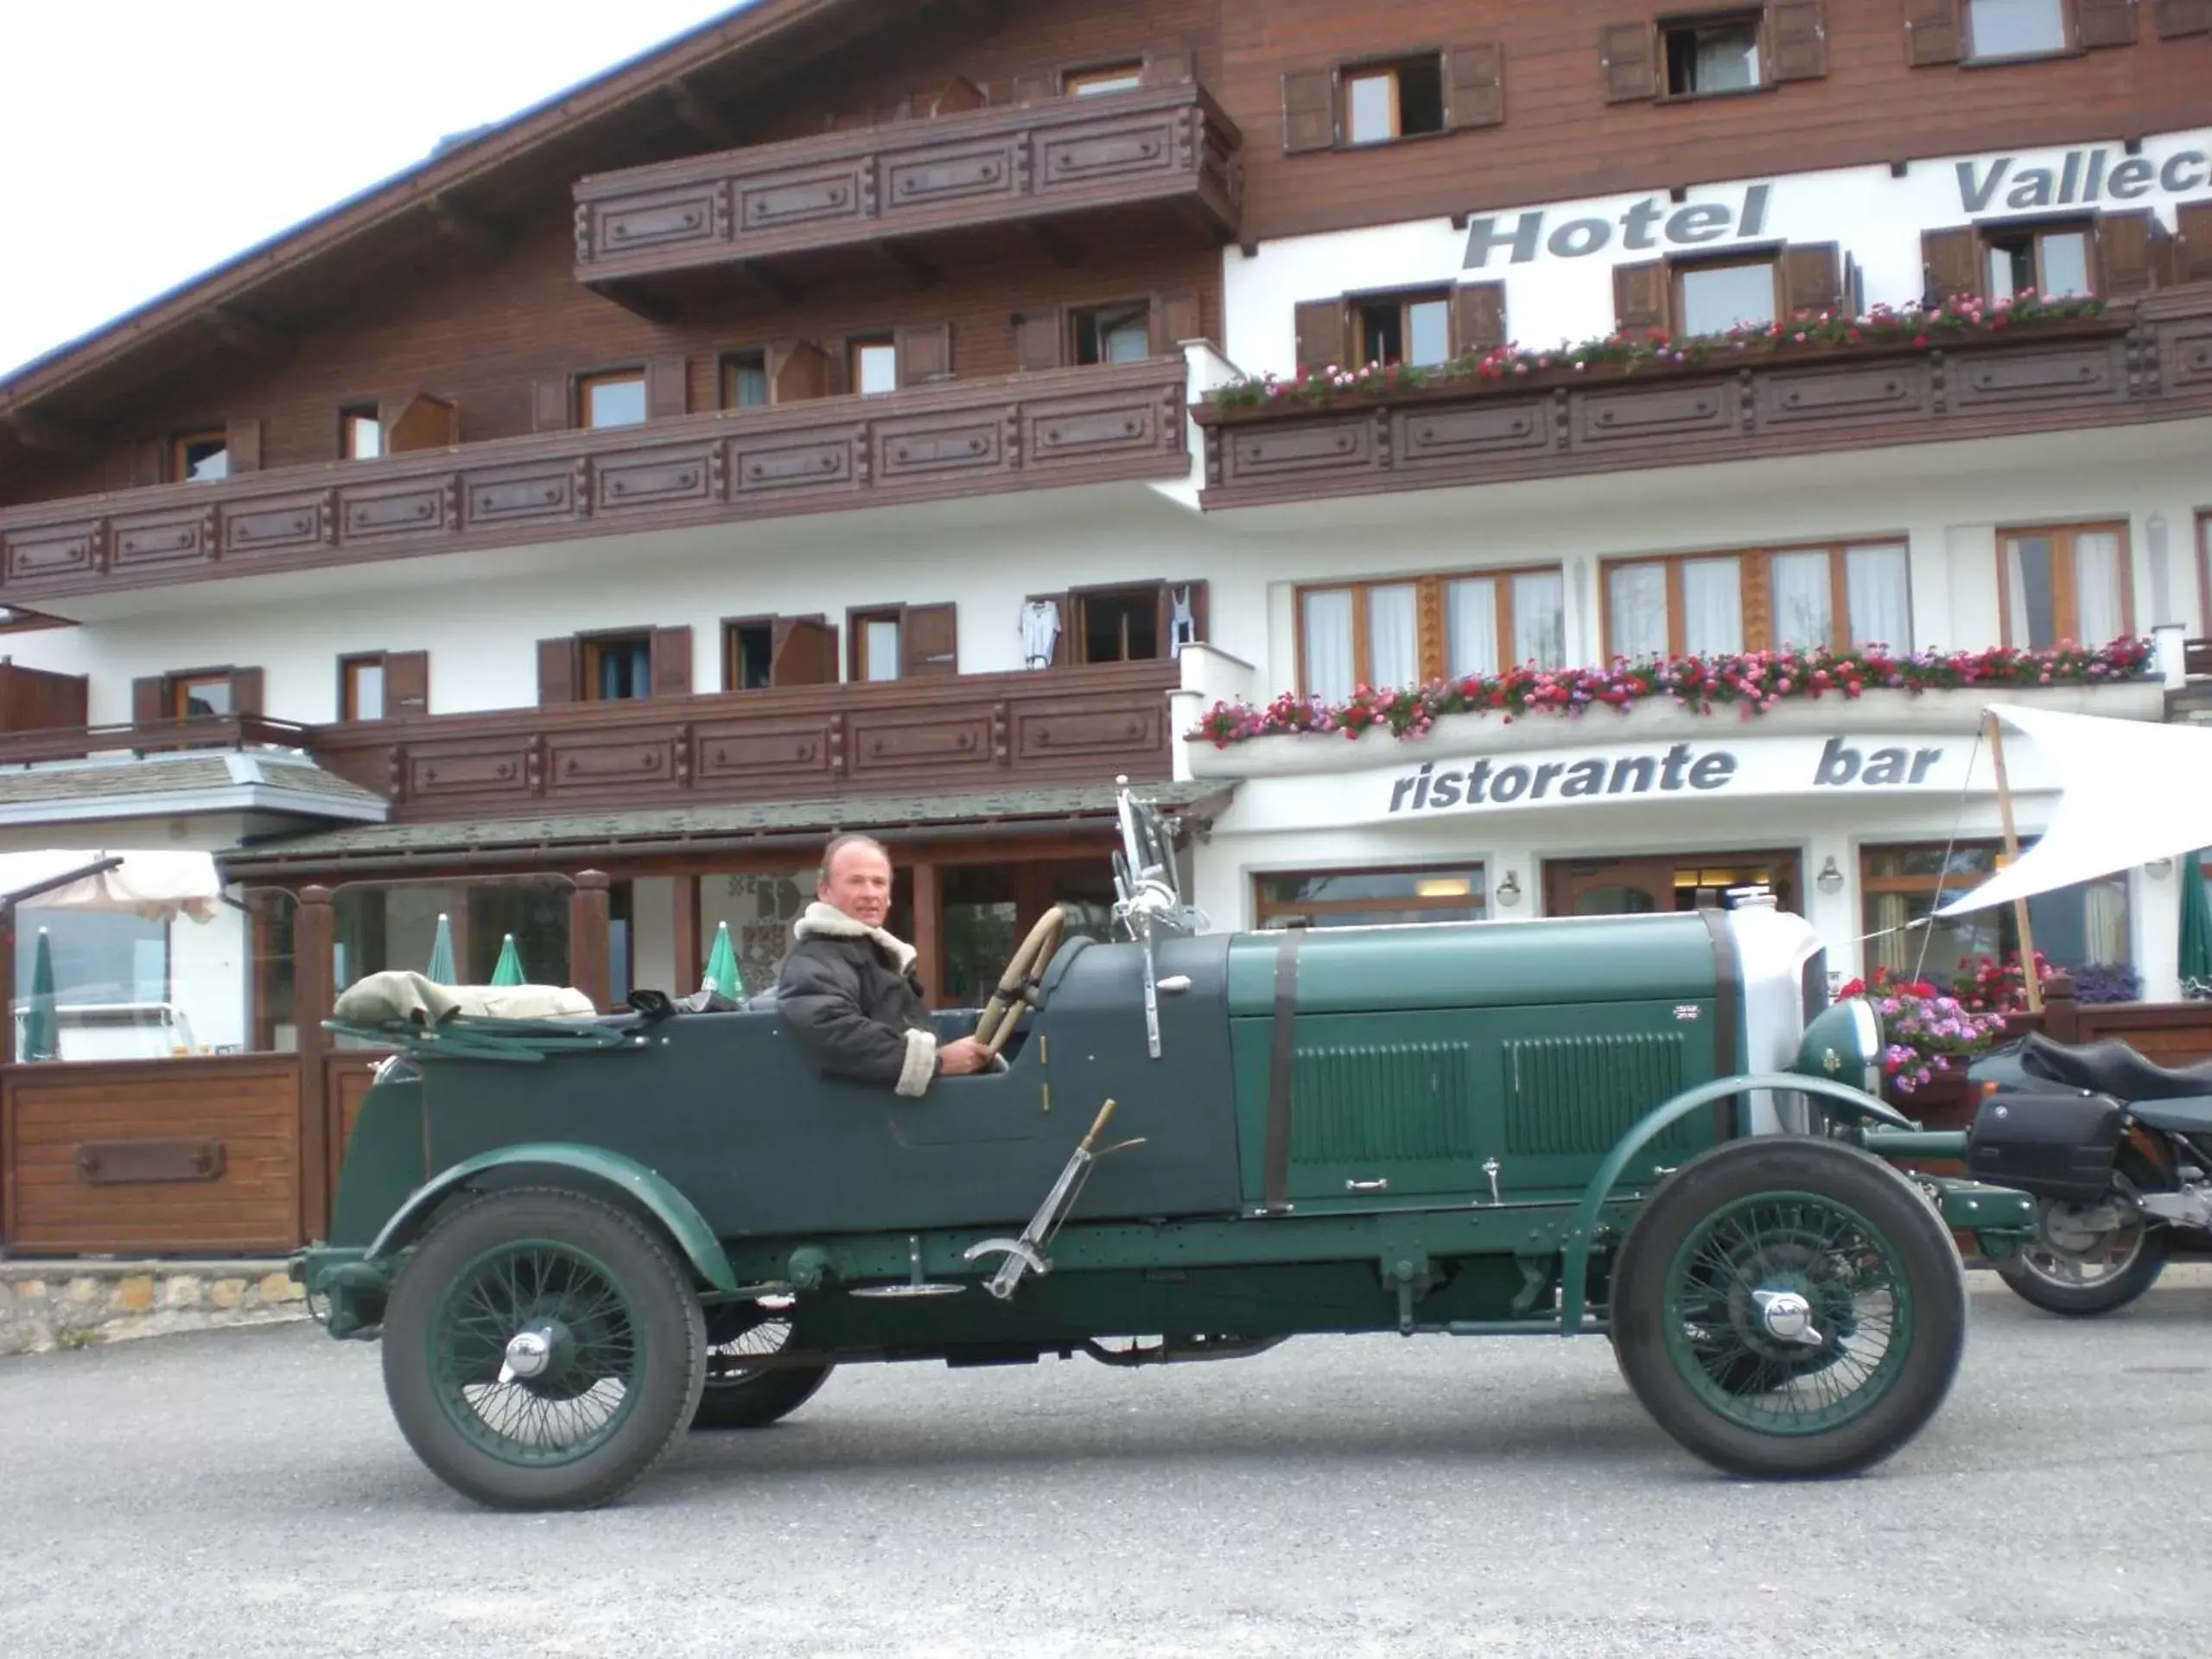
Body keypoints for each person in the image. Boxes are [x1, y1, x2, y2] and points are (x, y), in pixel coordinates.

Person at [775, 833, 993, 1098]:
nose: (870, 894)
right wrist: (939, 1063)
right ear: (825, 892)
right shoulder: (816, 958)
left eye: (878, 883)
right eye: (856, 881)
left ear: (889, 896)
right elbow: (833, 1030)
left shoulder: (872, 955)